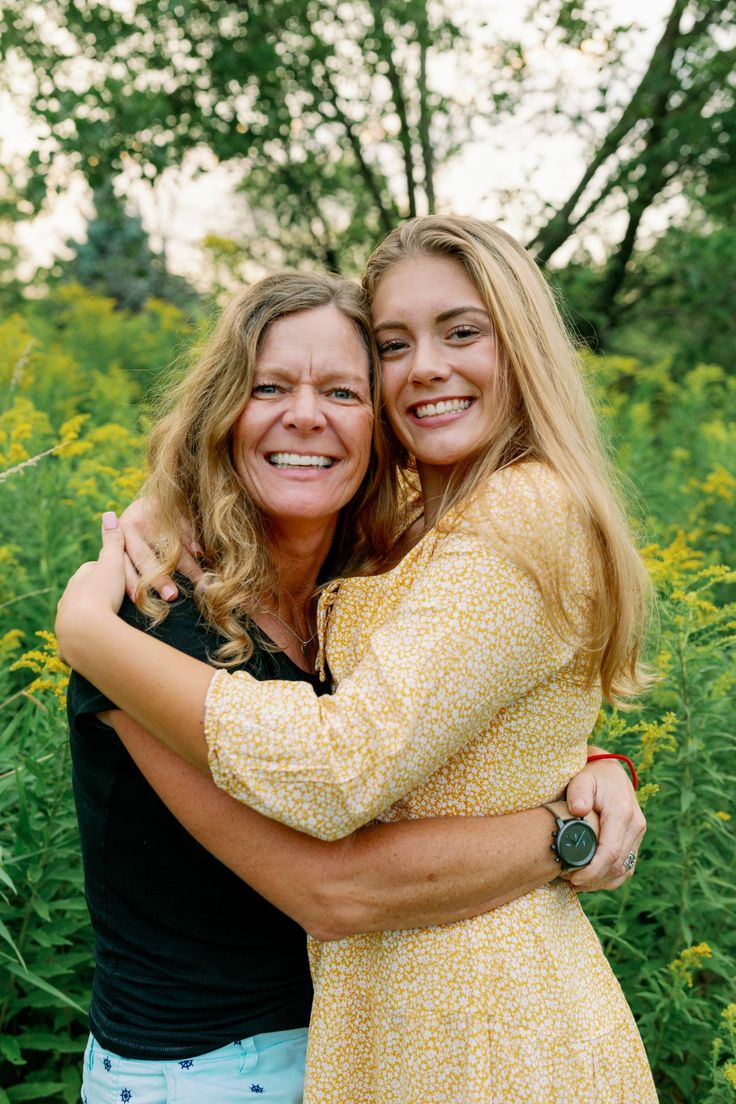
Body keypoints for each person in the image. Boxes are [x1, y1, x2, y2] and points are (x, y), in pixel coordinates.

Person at [57, 221, 655, 1102]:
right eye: (393, 346)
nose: (424, 369)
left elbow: (398, 742)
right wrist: (557, 828)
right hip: (212, 1070)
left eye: (344, 387)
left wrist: (592, 767)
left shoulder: (426, 546)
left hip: (433, 1035)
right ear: (223, 410)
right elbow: (332, 890)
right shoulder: (157, 609)